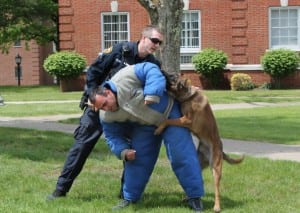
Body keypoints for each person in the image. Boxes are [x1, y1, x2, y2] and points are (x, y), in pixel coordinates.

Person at [47, 25, 164, 200]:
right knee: (81, 147)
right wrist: (92, 97)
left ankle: (125, 194)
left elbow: (160, 83)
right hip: (98, 107)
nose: (156, 45)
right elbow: (94, 71)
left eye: (159, 43)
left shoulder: (153, 64)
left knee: (130, 151)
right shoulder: (120, 50)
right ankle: (60, 190)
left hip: (124, 114)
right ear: (144, 38)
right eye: (154, 40)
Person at [89, 62, 205, 212]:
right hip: (145, 126)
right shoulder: (106, 115)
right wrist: (123, 151)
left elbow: (150, 68)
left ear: (108, 92)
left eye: (105, 104)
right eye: (101, 108)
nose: (106, 109)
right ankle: (130, 198)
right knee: (137, 159)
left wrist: (152, 93)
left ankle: (194, 197)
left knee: (181, 154)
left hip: (170, 113)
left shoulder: (125, 77)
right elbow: (112, 137)